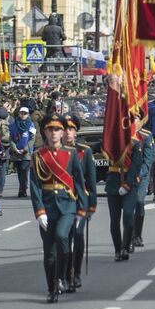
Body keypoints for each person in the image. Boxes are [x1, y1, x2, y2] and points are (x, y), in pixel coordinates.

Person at [29, 115, 86, 303]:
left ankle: (61, 277)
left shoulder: (71, 154)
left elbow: (79, 183)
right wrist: (39, 211)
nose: (54, 133)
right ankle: (51, 288)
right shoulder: (38, 156)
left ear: (62, 133)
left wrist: (82, 209)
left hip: (67, 204)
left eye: (57, 129)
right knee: (49, 253)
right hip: (47, 206)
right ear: (45, 132)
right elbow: (35, 185)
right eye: (50, 130)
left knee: (62, 236)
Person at [105, 118, 154, 261]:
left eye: (135, 119)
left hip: (134, 180)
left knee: (131, 212)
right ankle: (118, 250)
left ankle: (129, 244)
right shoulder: (111, 141)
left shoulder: (140, 140)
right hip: (114, 184)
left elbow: (144, 161)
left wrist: (131, 181)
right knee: (114, 221)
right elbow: (95, 150)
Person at [62, 116, 99, 292]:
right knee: (64, 238)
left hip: (80, 201)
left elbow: (91, 180)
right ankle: (65, 275)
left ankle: (75, 272)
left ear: (76, 132)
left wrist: (92, 205)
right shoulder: (55, 151)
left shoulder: (85, 151)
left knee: (77, 235)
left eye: (71, 129)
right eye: (64, 129)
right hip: (62, 201)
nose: (67, 132)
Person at [6, 106, 37, 198]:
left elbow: (32, 139)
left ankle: (23, 189)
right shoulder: (13, 125)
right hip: (16, 152)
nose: (23, 115)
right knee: (19, 171)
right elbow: (11, 138)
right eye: (21, 113)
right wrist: (15, 149)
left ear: (28, 115)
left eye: (25, 113)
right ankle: (22, 187)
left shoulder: (31, 125)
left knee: (24, 170)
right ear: (19, 114)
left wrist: (25, 149)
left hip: (26, 153)